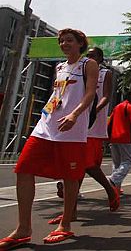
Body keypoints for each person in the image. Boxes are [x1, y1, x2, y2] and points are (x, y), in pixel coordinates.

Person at [0, 28, 98, 249]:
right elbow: (57, 96)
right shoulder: (59, 67)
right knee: (24, 167)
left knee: (69, 176)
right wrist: (46, 115)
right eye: (62, 41)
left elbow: (90, 93)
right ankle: (23, 228)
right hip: (47, 124)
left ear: (80, 43)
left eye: (69, 40)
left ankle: (65, 224)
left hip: (72, 129)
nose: (64, 44)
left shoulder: (88, 65)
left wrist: (74, 114)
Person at [49, 47, 119, 225]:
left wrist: (92, 110)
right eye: (88, 55)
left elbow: (105, 97)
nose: (89, 58)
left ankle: (110, 190)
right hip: (73, 121)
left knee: (87, 165)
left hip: (93, 125)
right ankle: (70, 212)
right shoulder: (75, 70)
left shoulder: (105, 74)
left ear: (101, 58)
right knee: (76, 165)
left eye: (93, 55)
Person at [108, 90, 131, 193]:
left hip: (114, 138)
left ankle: (115, 188)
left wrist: (108, 137)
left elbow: (110, 123)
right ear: (128, 97)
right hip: (126, 138)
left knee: (116, 163)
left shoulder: (117, 107)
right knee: (128, 161)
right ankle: (113, 179)